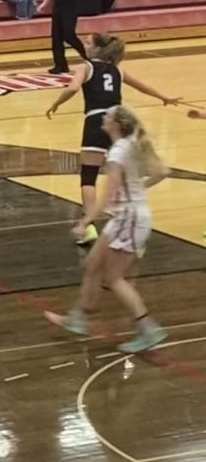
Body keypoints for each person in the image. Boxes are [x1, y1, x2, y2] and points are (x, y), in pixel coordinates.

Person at [44, 106, 168, 352]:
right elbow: (163, 172)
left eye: (108, 116)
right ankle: (78, 318)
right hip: (127, 216)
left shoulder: (118, 152)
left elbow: (106, 196)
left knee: (114, 278)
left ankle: (148, 328)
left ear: (117, 124)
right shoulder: (132, 143)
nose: (104, 117)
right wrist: (139, 188)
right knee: (92, 264)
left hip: (129, 219)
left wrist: (84, 221)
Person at [46, 35, 179, 242]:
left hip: (99, 120)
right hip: (122, 119)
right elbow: (141, 86)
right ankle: (128, 201)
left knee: (88, 176)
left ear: (98, 49)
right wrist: (164, 98)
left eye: (88, 43)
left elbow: (72, 88)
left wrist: (56, 103)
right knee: (130, 169)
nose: (85, 46)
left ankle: (89, 226)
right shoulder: (117, 69)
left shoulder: (86, 67)